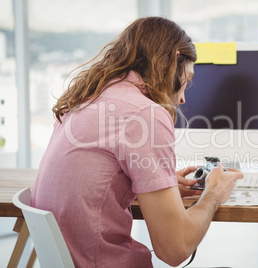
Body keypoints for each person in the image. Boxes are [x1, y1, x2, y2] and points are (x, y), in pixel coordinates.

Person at [31, 16, 243, 267]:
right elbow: (174, 250)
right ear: (174, 59)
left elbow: (89, 184)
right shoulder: (145, 114)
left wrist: (151, 185)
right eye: (187, 78)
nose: (183, 99)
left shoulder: (85, 99)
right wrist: (214, 194)